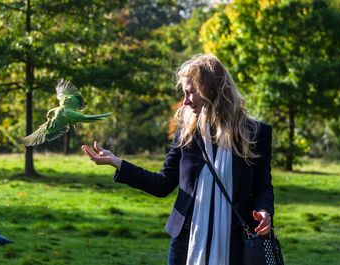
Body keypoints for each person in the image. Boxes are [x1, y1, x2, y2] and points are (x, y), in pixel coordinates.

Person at [81, 53, 274, 265]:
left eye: (191, 92)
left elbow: (262, 187)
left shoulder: (255, 133)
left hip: (235, 243)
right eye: (184, 92)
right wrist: (117, 163)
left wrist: (264, 211)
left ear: (211, 90)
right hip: (186, 243)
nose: (185, 101)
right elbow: (161, 184)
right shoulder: (187, 132)